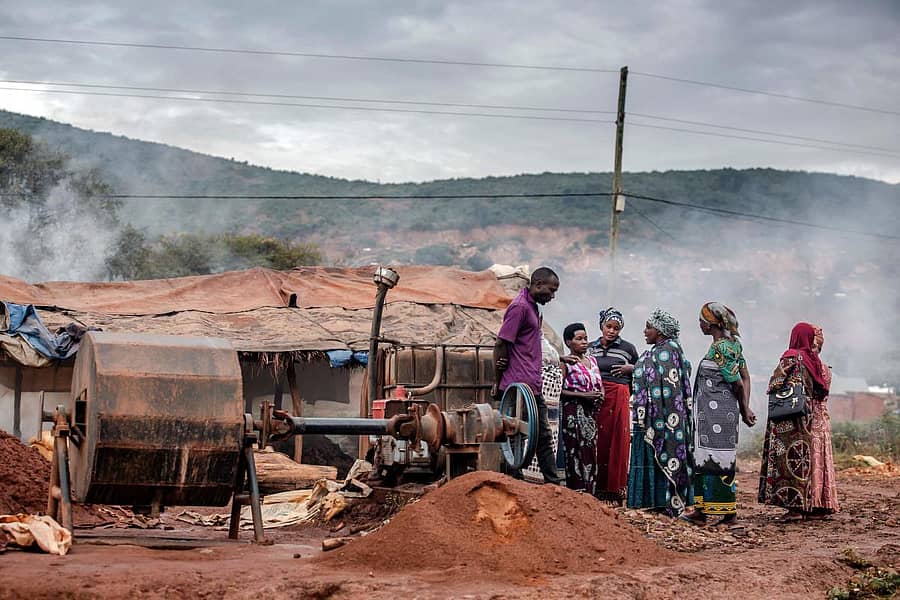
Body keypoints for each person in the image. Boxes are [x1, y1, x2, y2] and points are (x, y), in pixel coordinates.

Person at [684, 302, 756, 525]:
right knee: (714, 458)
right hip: (717, 414)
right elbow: (746, 377)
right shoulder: (733, 344)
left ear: (710, 324)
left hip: (716, 415)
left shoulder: (721, 348)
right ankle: (709, 511)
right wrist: (744, 407)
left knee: (713, 459)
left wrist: (744, 409)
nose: (699, 324)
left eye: (701, 320)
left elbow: (738, 382)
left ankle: (717, 513)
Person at [759, 322, 839, 521]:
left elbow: (775, 383)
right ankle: (810, 506)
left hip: (788, 418)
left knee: (788, 462)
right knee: (804, 461)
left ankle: (794, 508)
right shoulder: (816, 364)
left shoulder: (791, 357)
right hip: (808, 418)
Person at [492, 267, 562, 484]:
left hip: (531, 382)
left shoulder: (532, 307)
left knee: (537, 435)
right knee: (515, 433)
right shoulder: (520, 307)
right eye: (551, 290)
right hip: (518, 384)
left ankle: (548, 483)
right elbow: (501, 343)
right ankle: (517, 481)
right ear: (538, 284)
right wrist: (497, 382)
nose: (552, 296)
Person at [627, 308, 693, 516]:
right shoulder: (664, 350)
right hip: (658, 415)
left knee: (667, 452)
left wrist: (634, 368)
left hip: (663, 417)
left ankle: (666, 502)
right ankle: (654, 501)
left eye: (649, 327)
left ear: (661, 330)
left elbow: (662, 379)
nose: (645, 331)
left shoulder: (668, 351)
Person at [587, 307, 638, 503]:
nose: (611, 331)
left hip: (619, 395)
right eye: (608, 326)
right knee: (598, 439)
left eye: (616, 328)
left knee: (618, 440)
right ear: (602, 326)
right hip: (597, 397)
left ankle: (614, 489)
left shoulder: (628, 349)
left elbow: (640, 371)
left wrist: (630, 369)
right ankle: (597, 486)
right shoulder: (590, 347)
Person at [559, 322, 604, 493]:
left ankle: (590, 491)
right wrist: (583, 396)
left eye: (585, 338)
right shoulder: (566, 363)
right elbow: (559, 391)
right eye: (579, 339)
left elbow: (600, 383)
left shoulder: (592, 360)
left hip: (591, 412)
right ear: (568, 342)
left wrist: (601, 394)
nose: (584, 342)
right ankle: (577, 492)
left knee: (591, 451)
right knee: (575, 450)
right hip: (573, 411)